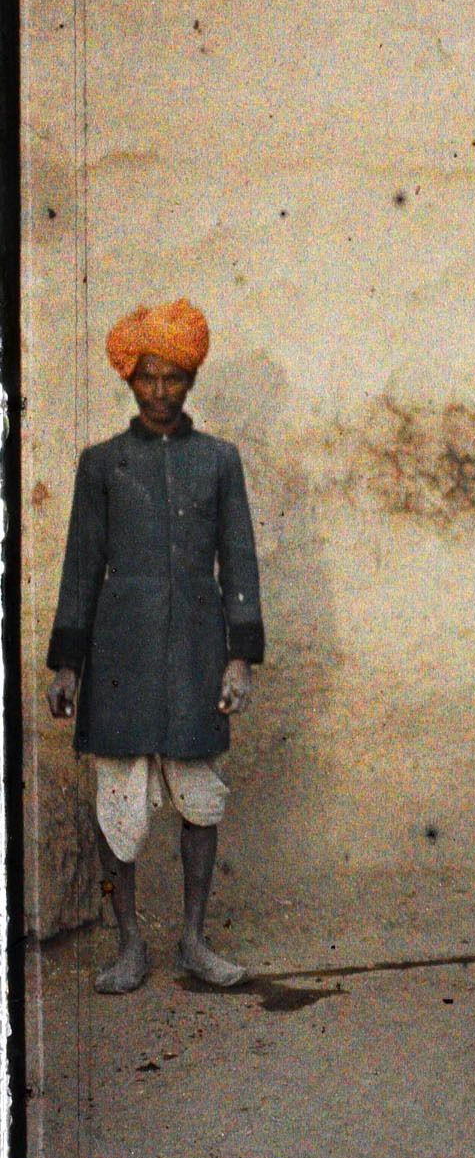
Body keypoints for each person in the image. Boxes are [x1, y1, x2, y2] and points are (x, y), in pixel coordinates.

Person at [45, 299, 264, 994]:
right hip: (120, 660)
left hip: (198, 653)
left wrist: (238, 657)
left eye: (174, 377)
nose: (161, 392)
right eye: (148, 379)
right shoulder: (100, 465)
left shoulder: (219, 462)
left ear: (192, 378)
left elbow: (241, 561)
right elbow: (81, 567)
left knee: (201, 798)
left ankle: (195, 941)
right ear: (129, 382)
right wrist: (68, 666)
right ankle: (130, 946)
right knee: (121, 804)